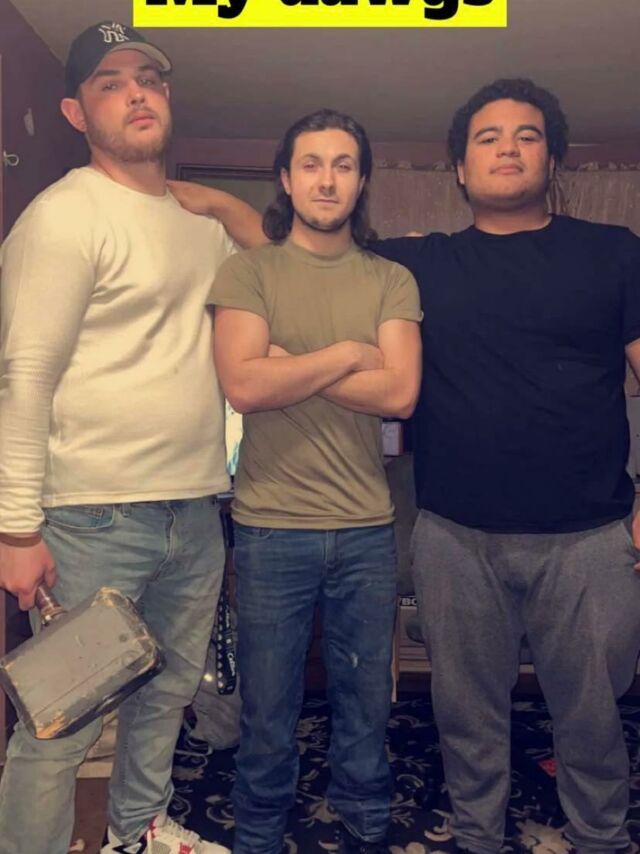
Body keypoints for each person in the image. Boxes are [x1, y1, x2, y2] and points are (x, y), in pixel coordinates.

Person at [0, 20, 258, 854]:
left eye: (148, 78)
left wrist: (226, 204)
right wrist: (16, 528)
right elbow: (24, 377)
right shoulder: (63, 216)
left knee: (168, 695)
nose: (136, 93)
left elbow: (286, 276)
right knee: (61, 724)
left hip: (196, 507)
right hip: (91, 518)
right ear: (77, 114)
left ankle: (137, 833)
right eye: (110, 84)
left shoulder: (201, 224)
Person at [372, 79, 640, 854]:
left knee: (593, 714)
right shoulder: (417, 266)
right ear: (461, 168)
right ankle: (478, 837)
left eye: (527, 135)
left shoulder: (614, 253)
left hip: (589, 538)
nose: (508, 149)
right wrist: (214, 204)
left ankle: (601, 837)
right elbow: (300, 255)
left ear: (551, 159)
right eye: (487, 138)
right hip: (455, 536)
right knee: (466, 715)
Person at [205, 108, 422, 854]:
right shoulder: (248, 272)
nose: (327, 179)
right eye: (311, 164)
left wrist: (287, 364)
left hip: (366, 527)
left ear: (361, 181)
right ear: (286, 179)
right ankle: (259, 824)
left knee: (366, 695)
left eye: (343, 164)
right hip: (270, 526)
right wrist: (349, 354)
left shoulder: (390, 278)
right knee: (269, 701)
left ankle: (365, 811)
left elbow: (401, 394)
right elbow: (243, 386)